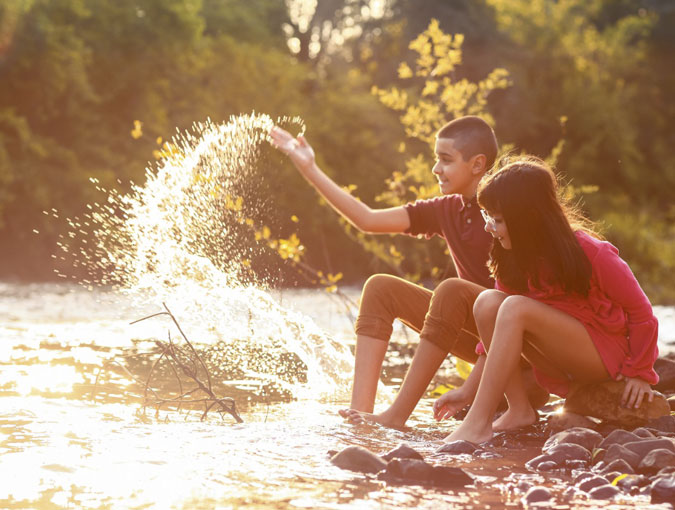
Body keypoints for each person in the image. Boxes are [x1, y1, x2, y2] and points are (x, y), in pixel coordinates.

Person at [270, 117, 547, 429]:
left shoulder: (508, 214)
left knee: (451, 290)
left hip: (522, 355)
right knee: (380, 289)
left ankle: (395, 417)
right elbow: (368, 220)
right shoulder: (446, 209)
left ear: (478, 164)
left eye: (445, 160)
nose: (435, 169)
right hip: (481, 343)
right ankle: (361, 416)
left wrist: (472, 389)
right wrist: (309, 169)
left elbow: (519, 310)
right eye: (435, 159)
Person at [439, 156, 659, 444]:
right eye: (487, 217)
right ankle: (519, 410)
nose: (488, 228)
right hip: (559, 360)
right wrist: (468, 389)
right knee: (487, 302)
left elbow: (641, 312)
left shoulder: (591, 252)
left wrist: (640, 372)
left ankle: (478, 423)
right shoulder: (512, 256)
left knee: (514, 307)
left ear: (528, 219)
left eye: (498, 220)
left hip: (604, 355)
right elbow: (495, 335)